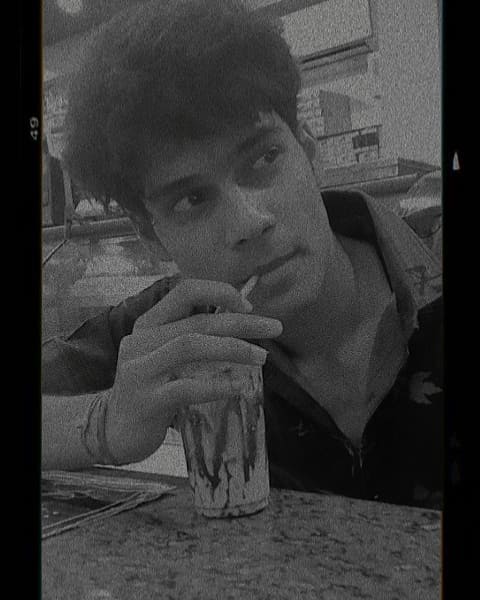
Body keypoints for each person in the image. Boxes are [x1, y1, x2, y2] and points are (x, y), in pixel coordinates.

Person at [42, 0, 443, 509]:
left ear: (308, 151)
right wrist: (107, 422)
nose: (249, 221)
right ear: (150, 233)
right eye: (192, 199)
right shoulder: (175, 330)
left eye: (264, 157)